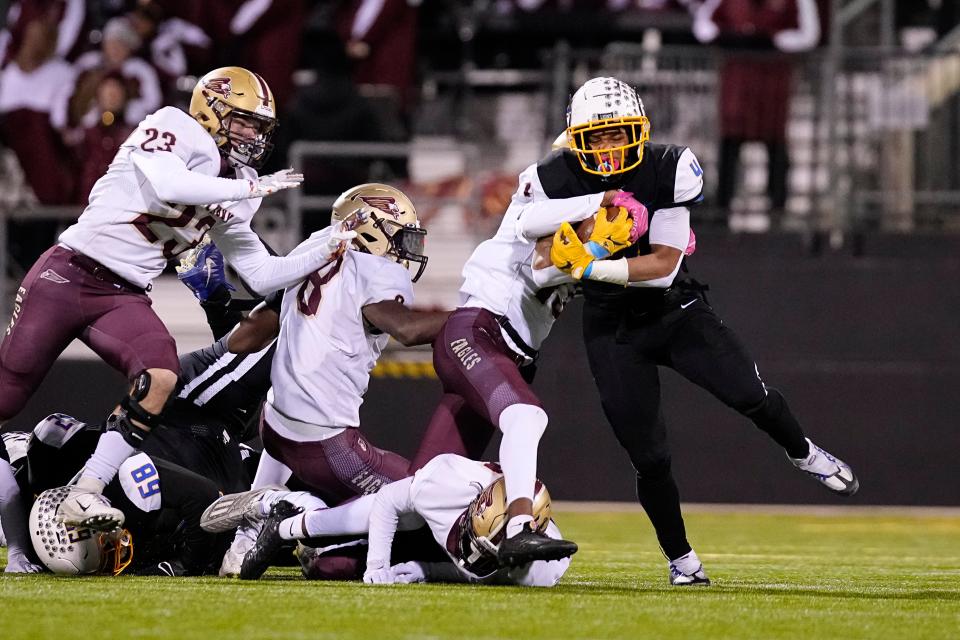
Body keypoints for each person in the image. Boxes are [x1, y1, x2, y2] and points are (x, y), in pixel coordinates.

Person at [0, 66, 348, 532]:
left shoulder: (239, 185)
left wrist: (323, 248)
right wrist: (247, 187)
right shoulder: (174, 126)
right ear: (211, 111)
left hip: (122, 294)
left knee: (160, 377)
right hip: (66, 273)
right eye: (243, 121)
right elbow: (170, 185)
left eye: (259, 127)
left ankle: (84, 494)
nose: (251, 135)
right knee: (7, 396)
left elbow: (260, 274)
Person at [543, 76, 858, 585]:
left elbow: (664, 265)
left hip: (673, 310)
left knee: (751, 395)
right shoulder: (553, 178)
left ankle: (803, 451)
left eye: (616, 134)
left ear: (637, 132)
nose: (607, 147)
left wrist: (586, 266)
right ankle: (682, 562)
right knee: (649, 456)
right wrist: (558, 260)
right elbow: (535, 249)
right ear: (576, 140)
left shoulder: (668, 168)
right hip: (610, 325)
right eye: (596, 138)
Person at [208, 183, 452, 573]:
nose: (404, 249)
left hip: (274, 426)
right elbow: (405, 329)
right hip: (326, 442)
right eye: (399, 236)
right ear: (370, 229)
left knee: (360, 495)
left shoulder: (315, 247)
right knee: (417, 502)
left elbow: (248, 336)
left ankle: (243, 541)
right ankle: (298, 528)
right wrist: (474, 318)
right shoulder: (377, 270)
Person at [204, 453, 572, 586]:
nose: (473, 553)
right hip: (411, 508)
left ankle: (304, 537)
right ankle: (283, 512)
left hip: (437, 536)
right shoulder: (446, 484)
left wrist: (426, 571)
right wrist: (377, 564)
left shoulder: (543, 570)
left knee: (328, 568)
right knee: (354, 522)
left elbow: (493, 577)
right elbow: (386, 504)